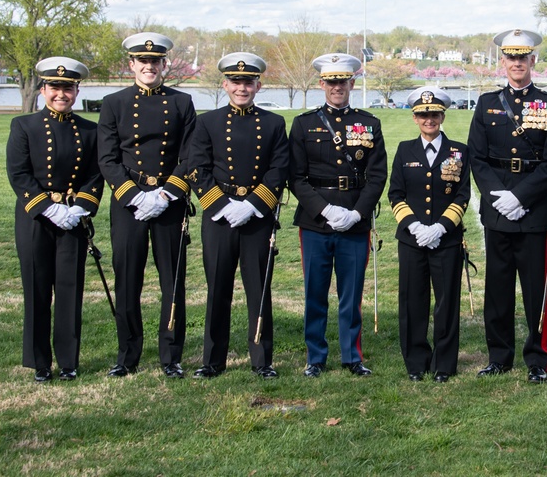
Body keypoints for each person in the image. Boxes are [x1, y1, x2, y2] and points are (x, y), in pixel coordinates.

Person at [467, 29, 547, 384]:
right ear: (502, 62)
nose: (516, 64)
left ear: (533, 61)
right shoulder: (486, 103)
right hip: (497, 208)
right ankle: (499, 356)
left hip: (533, 208)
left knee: (535, 290)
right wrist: (499, 197)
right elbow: (476, 158)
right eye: (510, 58)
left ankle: (538, 358)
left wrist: (521, 197)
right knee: (497, 286)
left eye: (523, 58)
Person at [98, 33, 197, 378]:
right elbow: (107, 158)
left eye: (155, 62)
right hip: (129, 204)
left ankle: (172, 356)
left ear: (163, 65)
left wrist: (168, 193)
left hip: (169, 202)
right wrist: (133, 195)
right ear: (132, 65)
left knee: (173, 280)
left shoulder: (182, 103)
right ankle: (127, 355)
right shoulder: (114, 103)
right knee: (127, 280)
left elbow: (190, 156)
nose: (149, 67)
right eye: (142, 61)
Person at [186, 53, 289, 379]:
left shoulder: (273, 123)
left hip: (256, 215)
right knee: (217, 287)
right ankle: (212, 360)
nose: (242, 88)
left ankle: (262, 359)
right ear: (224, 84)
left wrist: (254, 204)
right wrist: (220, 205)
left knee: (259, 288)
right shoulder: (207, 122)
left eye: (248, 82)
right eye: (236, 82)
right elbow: (196, 168)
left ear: (258, 85)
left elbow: (279, 169)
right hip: (219, 217)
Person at [288, 54, 387, 378]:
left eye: (342, 81)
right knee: (315, 292)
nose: (337, 87)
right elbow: (296, 177)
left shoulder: (369, 123)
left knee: (351, 293)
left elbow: (377, 176)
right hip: (316, 221)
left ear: (352, 84)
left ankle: (352, 356)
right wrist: (325, 209)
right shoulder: (304, 124)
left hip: (354, 222)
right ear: (322, 84)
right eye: (331, 82)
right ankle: (315, 357)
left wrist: (358, 213)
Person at [7, 57, 103, 382]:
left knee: (69, 289)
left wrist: (79, 209)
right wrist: (48, 207)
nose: (60, 93)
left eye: (67, 87)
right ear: (43, 89)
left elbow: (95, 175)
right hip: (36, 219)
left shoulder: (91, 130)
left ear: (77, 90)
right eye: (54, 87)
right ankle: (39, 363)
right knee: (36, 289)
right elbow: (18, 174)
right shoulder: (24, 126)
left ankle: (68, 361)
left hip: (73, 220)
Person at [388, 87, 471, 382]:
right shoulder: (404, 150)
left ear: (442, 115)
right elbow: (395, 194)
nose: (429, 119)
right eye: (423, 114)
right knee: (412, 301)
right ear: (414, 117)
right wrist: (414, 226)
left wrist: (440, 227)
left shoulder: (459, 151)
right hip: (411, 240)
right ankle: (415, 363)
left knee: (447, 303)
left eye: (434, 113)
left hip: (446, 239)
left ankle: (444, 365)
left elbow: (462, 196)